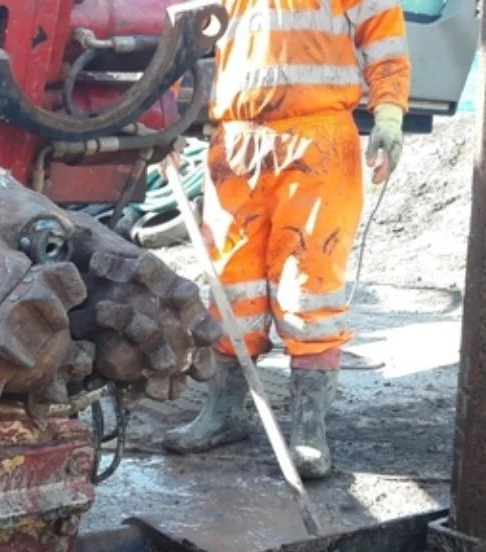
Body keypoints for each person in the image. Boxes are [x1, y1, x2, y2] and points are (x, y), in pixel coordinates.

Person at [164, 0, 411, 479]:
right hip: (234, 142)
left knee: (309, 288)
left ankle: (308, 430)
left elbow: (384, 43)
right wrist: (164, 120)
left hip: (316, 139)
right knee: (230, 289)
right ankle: (224, 412)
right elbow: (183, 40)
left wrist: (388, 116)